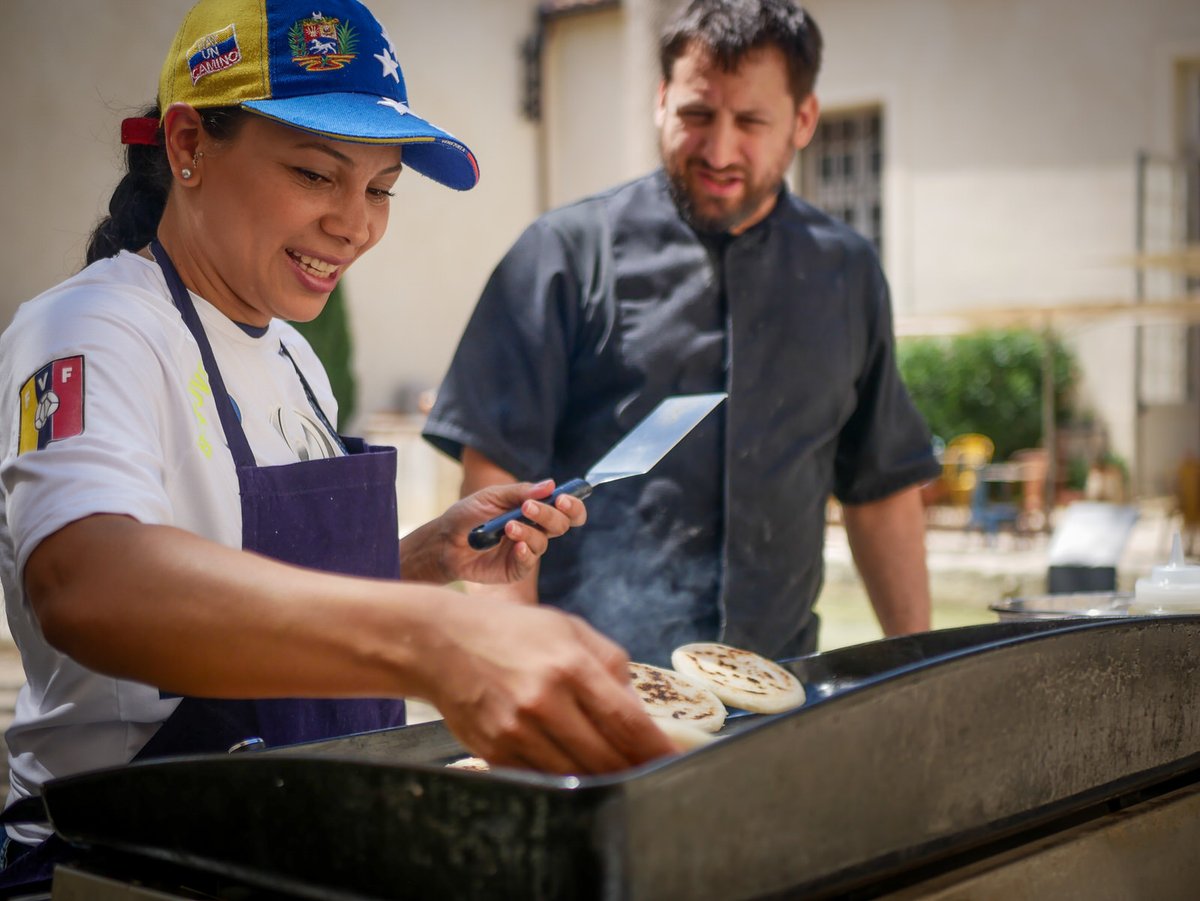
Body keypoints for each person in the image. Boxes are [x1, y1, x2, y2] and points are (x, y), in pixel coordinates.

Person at [0, 0, 676, 881]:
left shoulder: (293, 357)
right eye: (318, 175)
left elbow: (269, 609)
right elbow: (84, 580)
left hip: (291, 843)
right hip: (121, 861)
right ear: (188, 146)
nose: (355, 224)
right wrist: (431, 640)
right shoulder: (91, 328)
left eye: (381, 188)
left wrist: (425, 559)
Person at [422, 0, 941, 668]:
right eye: (698, 115)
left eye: (751, 121)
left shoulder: (848, 271)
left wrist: (922, 670)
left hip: (780, 696)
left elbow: (881, 491)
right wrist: (524, 679)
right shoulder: (561, 256)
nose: (720, 150)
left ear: (804, 119)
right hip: (596, 689)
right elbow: (495, 484)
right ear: (662, 100)